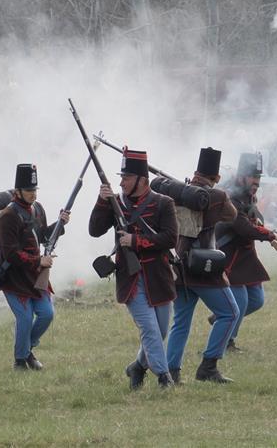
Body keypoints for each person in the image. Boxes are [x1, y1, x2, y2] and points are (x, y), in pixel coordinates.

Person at [89, 148, 179, 389]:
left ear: (142, 180)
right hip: (130, 277)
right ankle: (164, 377)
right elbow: (94, 230)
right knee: (149, 329)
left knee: (159, 332)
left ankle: (137, 367)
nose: (122, 182)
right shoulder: (115, 203)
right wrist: (102, 201)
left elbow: (170, 238)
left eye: (127, 177)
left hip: (158, 277)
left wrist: (135, 241)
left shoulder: (163, 203)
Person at [165, 148, 239, 384]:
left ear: (196, 173)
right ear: (216, 177)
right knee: (230, 313)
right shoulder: (217, 196)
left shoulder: (178, 193)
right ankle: (208, 366)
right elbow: (231, 215)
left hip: (179, 267)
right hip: (204, 268)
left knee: (181, 322)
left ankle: (172, 371)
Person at [0, 164, 69, 371]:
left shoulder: (37, 209)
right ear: (18, 191)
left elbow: (43, 236)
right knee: (25, 317)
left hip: (35, 274)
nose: (33, 194)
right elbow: (10, 253)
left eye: (34, 190)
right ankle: (20, 360)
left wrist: (60, 224)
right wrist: (38, 261)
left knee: (47, 314)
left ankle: (26, 349)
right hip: (14, 276)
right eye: (29, 190)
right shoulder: (8, 216)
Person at [213, 153, 277, 352]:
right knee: (240, 302)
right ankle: (226, 341)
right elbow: (243, 228)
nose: (257, 182)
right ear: (242, 176)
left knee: (256, 300)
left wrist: (264, 227)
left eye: (259, 177)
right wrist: (269, 235)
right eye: (254, 177)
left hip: (245, 256)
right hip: (229, 256)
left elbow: (253, 216)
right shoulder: (229, 196)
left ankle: (222, 317)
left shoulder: (247, 195)